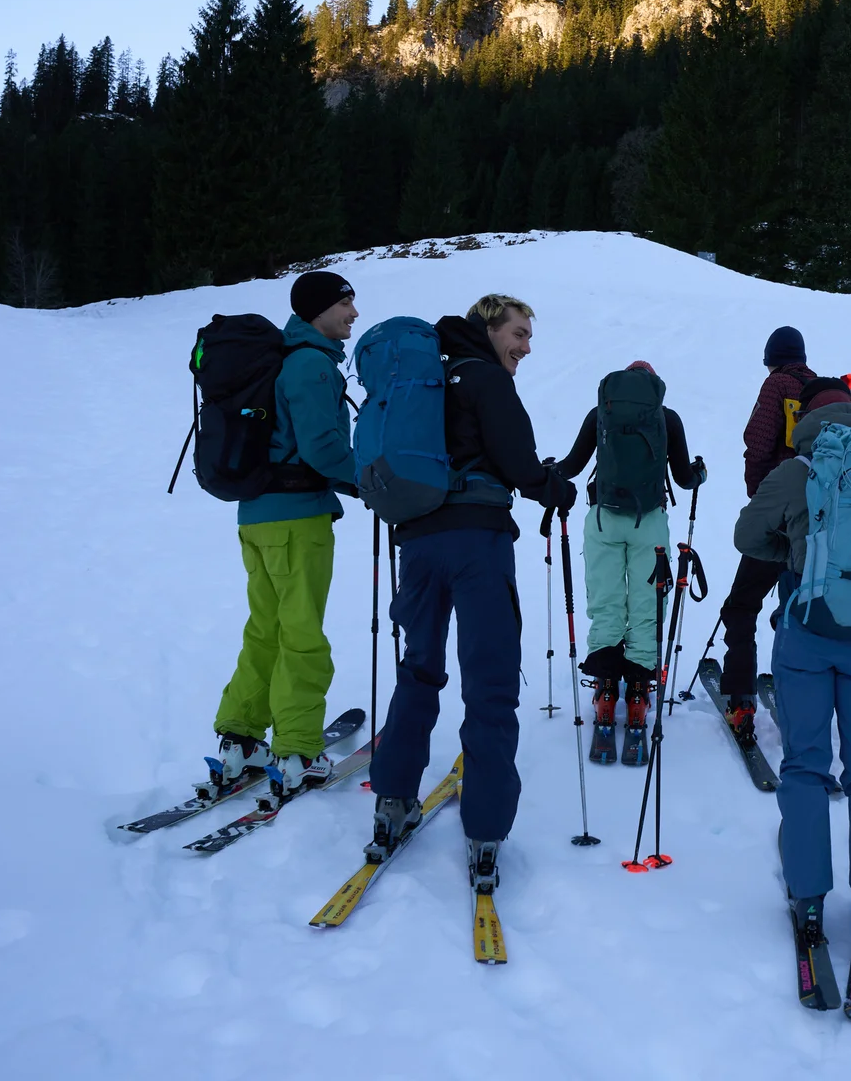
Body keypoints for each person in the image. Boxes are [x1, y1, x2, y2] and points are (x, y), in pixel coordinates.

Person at [365, 295, 576, 885]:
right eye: (519, 333)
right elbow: (518, 463)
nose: (526, 346)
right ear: (488, 328)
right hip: (477, 545)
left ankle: (392, 803)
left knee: (420, 670)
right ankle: (485, 829)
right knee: (490, 685)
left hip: (419, 545)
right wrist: (551, 487)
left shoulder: (429, 379)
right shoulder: (484, 377)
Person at [734, 379, 851, 1015]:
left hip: (807, 634)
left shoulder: (796, 470)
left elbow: (746, 536)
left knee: (806, 766)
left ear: (805, 420)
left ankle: (809, 901)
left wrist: (795, 554)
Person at [207, 270, 361, 797]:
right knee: (301, 634)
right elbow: (322, 448)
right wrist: (371, 482)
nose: (353, 314)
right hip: (297, 518)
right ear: (318, 310)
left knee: (266, 629)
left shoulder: (286, 361)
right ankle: (296, 749)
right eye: (345, 304)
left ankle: (241, 739)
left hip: (257, 517)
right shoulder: (311, 366)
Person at [555, 360, 705, 764]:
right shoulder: (666, 418)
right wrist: (699, 474)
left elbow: (572, 466)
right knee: (645, 603)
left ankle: (606, 688)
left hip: (603, 518)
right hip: (650, 523)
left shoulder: (600, 413)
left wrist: (547, 470)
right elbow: (685, 477)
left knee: (605, 601)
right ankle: (638, 691)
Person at [715, 326, 814, 743]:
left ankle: (741, 701)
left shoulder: (777, 385)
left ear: (771, 358)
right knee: (799, 612)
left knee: (742, 606)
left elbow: (756, 443)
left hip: (778, 515)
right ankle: (805, 699)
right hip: (817, 525)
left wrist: (760, 494)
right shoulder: (825, 391)